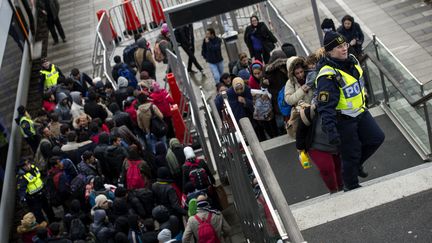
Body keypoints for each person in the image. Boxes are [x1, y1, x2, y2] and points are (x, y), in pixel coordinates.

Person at [315, 31, 384, 191]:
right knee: (350, 154)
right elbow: (326, 107)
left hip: (360, 112)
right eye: (339, 47)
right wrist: (331, 130)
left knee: (376, 138)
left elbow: (359, 82)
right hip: (343, 119)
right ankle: (351, 187)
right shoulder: (327, 76)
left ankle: (356, 164)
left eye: (345, 45)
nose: (344, 48)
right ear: (330, 51)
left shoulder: (352, 60)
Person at [296, 104, 343, 193]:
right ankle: (333, 190)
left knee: (339, 167)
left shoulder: (341, 107)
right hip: (316, 146)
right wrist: (300, 148)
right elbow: (301, 130)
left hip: (336, 145)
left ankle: (342, 187)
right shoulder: (310, 111)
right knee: (326, 168)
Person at [16, 159, 56, 223]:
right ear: (22, 167)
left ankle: (53, 219)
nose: (28, 166)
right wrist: (22, 198)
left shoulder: (33, 168)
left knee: (48, 208)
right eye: (25, 165)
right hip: (33, 198)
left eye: (28, 164)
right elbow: (21, 188)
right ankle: (44, 226)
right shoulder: (22, 177)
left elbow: (39, 175)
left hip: (42, 192)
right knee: (38, 214)